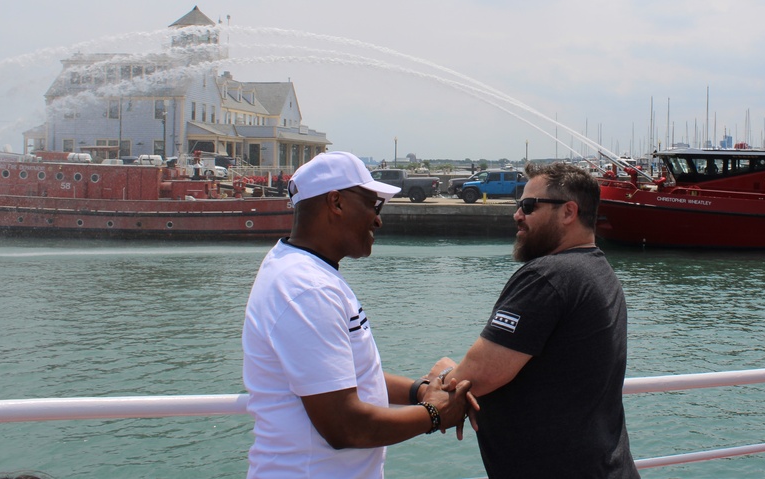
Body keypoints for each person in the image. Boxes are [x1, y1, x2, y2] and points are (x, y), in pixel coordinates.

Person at [242, 151, 475, 479]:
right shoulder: (307, 289)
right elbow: (344, 426)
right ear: (336, 202)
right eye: (373, 204)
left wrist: (418, 391)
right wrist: (435, 413)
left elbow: (337, 377)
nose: (378, 218)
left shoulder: (297, 271)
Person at [423, 162, 639, 478]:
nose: (517, 215)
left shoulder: (548, 277)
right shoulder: (600, 273)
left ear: (568, 212)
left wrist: (441, 372)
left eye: (528, 206)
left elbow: (473, 378)